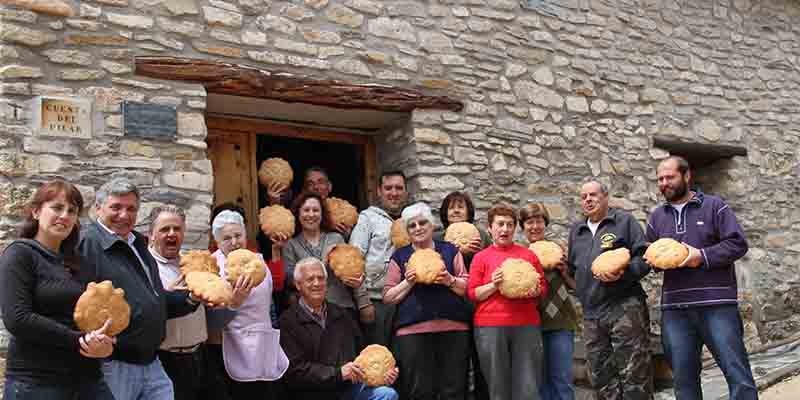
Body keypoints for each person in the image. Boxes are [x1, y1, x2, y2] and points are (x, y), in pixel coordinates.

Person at [78, 178, 200, 400]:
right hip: (115, 365)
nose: (124, 215)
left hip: (150, 362)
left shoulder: (138, 244)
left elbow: (153, 301)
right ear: (98, 208)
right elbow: (78, 304)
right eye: (116, 207)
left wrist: (190, 298)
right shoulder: (88, 244)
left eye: (131, 208)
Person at [647, 156, 756, 400]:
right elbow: (652, 256)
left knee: (737, 374)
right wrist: (647, 261)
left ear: (687, 176)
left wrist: (702, 256)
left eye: (670, 177)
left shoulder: (715, 206)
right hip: (675, 310)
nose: (664, 183)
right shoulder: (657, 217)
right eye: (660, 179)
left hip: (717, 305)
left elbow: (738, 244)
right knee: (684, 382)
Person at [0, 180, 116, 399]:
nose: (65, 215)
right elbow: (17, 318)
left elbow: (101, 316)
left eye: (72, 211)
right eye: (57, 207)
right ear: (36, 211)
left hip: (88, 380)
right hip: (38, 383)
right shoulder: (20, 254)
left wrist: (107, 344)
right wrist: (79, 339)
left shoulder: (83, 264)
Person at [567, 181, 652, 400]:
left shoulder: (624, 222)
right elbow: (574, 268)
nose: (588, 199)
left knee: (634, 373)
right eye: (584, 196)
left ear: (606, 197)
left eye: (593, 195)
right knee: (600, 375)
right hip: (592, 313)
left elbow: (645, 258)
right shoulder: (577, 230)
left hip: (624, 308)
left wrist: (624, 273)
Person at [384, 202, 471, 400]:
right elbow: (388, 297)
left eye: (423, 223)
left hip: (453, 329)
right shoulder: (400, 256)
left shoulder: (449, 250)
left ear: (432, 226)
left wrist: (449, 280)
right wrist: (408, 282)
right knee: (420, 391)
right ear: (407, 231)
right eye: (412, 225)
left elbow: (466, 286)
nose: (418, 228)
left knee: (454, 389)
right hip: (412, 332)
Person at [280, 257, 399, 400]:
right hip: (312, 394)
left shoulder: (341, 314)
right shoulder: (288, 321)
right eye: (310, 279)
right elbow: (295, 371)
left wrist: (382, 375)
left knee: (386, 394)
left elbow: (363, 352)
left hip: (347, 389)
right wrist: (338, 373)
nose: (317, 283)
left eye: (321, 278)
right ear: (298, 285)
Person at [467, 202, 548, 400]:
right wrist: (494, 285)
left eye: (510, 225)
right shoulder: (480, 258)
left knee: (528, 386)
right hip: (490, 327)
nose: (505, 229)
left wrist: (531, 289)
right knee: (498, 387)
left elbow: (542, 289)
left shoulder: (527, 255)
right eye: (500, 224)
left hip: (526, 325)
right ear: (490, 228)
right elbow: (472, 294)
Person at [208, 210, 289, 399]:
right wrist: (234, 301)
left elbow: (273, 293)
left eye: (238, 235)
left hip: (263, 343)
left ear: (245, 235)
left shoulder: (258, 262)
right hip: (232, 343)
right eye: (227, 238)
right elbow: (211, 320)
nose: (235, 242)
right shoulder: (213, 268)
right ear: (217, 243)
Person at [434, 191, 493, 400]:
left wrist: (476, 254)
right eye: (451, 207)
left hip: (477, 307)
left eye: (461, 206)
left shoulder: (481, 235)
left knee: (481, 362)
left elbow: (491, 266)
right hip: (448, 309)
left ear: (469, 211)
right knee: (454, 366)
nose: (456, 210)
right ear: (444, 212)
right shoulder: (437, 237)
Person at [283, 192, 372, 323]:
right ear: (298, 213)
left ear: (322, 214)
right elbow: (290, 279)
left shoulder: (336, 238)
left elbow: (353, 272)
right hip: (310, 315)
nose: (311, 214)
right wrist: (322, 264)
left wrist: (364, 303)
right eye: (306, 210)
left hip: (342, 308)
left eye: (316, 210)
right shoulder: (291, 244)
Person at [148, 205, 208, 400]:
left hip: (200, 356)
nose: (172, 234)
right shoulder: (145, 267)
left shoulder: (195, 264)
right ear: (151, 235)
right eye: (165, 229)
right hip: (166, 360)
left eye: (177, 229)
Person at [520, 202, 578, 400]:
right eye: (529, 222)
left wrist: (564, 271)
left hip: (561, 322)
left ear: (545, 224)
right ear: (523, 227)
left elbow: (576, 286)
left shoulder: (557, 251)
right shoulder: (520, 256)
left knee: (562, 380)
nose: (535, 226)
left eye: (539, 222)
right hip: (531, 324)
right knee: (540, 383)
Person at [350, 170, 408, 346]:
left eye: (399, 188)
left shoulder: (411, 220)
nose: (394, 193)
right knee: (378, 359)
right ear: (379, 191)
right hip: (376, 302)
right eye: (388, 188)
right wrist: (363, 302)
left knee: (404, 359)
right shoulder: (367, 219)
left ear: (405, 192)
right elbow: (354, 260)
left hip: (406, 300)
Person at [301, 166, 352, 237]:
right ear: (304, 190)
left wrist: (348, 235)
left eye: (320, 182)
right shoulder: (300, 212)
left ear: (329, 187)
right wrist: (328, 225)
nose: (316, 187)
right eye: (310, 184)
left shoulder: (343, 210)